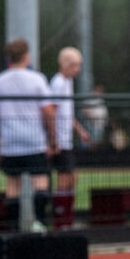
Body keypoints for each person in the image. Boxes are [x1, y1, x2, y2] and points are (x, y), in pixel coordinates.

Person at [0, 38, 57, 232]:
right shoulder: (37, 79)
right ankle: (39, 224)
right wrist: (52, 138)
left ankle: (13, 229)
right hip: (34, 142)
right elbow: (49, 111)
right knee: (40, 183)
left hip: (10, 143)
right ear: (26, 56)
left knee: (12, 186)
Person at [50, 46, 90, 229]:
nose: (78, 69)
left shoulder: (68, 83)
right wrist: (53, 139)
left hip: (66, 138)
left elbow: (67, 112)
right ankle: (62, 221)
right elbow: (53, 111)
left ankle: (67, 218)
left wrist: (79, 129)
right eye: (75, 65)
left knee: (71, 178)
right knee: (64, 178)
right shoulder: (57, 83)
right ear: (65, 64)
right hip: (60, 139)